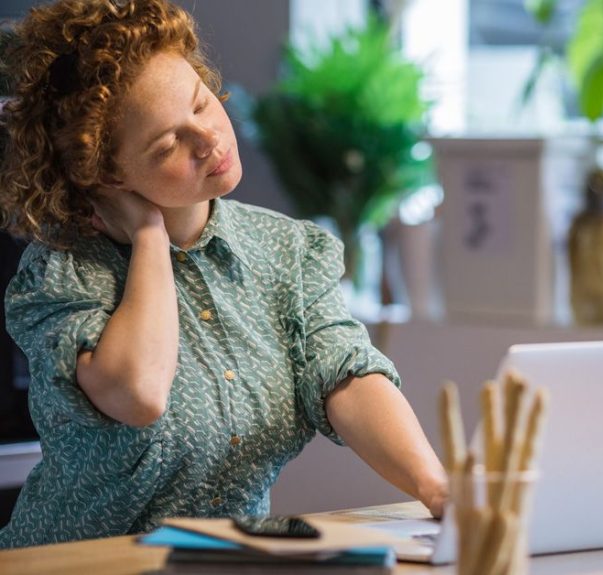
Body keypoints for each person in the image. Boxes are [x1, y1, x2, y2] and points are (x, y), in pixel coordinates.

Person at [0, 0, 446, 549]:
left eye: (202, 104)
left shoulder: (287, 250)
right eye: (168, 144)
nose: (209, 140)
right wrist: (148, 238)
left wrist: (436, 486)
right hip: (71, 564)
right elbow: (138, 393)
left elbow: (346, 375)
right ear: (106, 174)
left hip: (226, 561)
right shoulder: (65, 271)